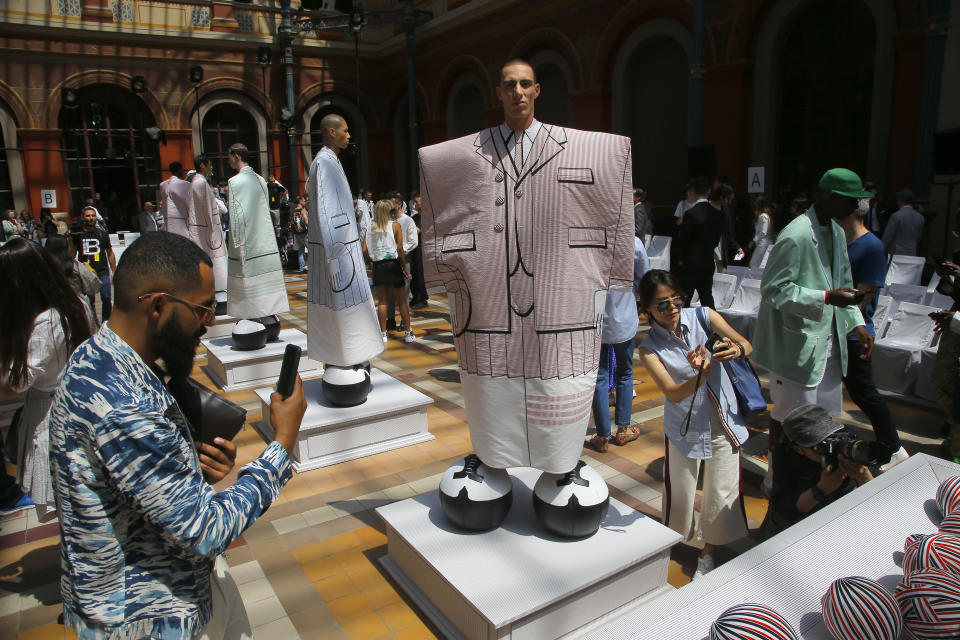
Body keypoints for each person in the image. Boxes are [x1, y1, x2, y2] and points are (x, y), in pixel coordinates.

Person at [48, 231, 307, 639]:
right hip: (148, 617)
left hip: (176, 593)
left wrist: (191, 471)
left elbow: (136, 488)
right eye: (201, 309)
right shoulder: (122, 404)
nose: (208, 322)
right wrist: (282, 444)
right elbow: (205, 530)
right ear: (157, 306)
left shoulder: (97, 358)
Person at [419, 57, 634, 484]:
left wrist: (615, 267)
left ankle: (559, 465)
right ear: (498, 93)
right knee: (490, 376)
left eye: (525, 84)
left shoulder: (577, 145)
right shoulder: (468, 151)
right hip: (490, 294)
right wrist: (442, 270)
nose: (517, 92)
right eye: (508, 85)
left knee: (558, 378)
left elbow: (616, 180)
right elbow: (435, 179)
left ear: (537, 90)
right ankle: (493, 458)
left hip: (558, 292)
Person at [752, 168, 874, 489]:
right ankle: (775, 478)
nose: (856, 209)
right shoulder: (796, 234)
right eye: (851, 201)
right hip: (798, 344)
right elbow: (774, 289)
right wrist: (825, 297)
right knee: (787, 415)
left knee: (819, 417)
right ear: (830, 197)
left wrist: (857, 324)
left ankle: (810, 475)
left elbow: (844, 283)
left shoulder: (834, 230)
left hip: (827, 342)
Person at [637, 269, 752, 577]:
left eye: (676, 299)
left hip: (724, 419)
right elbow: (673, 393)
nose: (673, 308)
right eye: (662, 304)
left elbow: (744, 343)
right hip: (684, 427)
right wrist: (699, 373)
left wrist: (735, 349)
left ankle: (709, 552)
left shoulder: (704, 316)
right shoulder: (649, 348)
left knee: (722, 490)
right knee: (681, 490)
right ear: (646, 309)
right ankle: (671, 541)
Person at [0, 238, 93, 521]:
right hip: (76, 404)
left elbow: (16, 383)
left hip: (52, 416)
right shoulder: (73, 304)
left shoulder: (46, 322)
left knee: (71, 508)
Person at [835, 198, 908, 467]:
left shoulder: (872, 247)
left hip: (854, 333)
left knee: (863, 391)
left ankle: (893, 446)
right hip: (835, 331)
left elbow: (863, 297)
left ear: (852, 210)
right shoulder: (841, 243)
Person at [763, 404, 874, 537]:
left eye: (830, 438)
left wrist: (864, 477)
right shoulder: (785, 455)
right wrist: (821, 490)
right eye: (821, 446)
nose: (830, 449)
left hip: (845, 522)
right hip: (802, 528)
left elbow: (880, 502)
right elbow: (782, 509)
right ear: (799, 449)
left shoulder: (848, 443)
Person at [588, 237, 650, 452]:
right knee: (625, 372)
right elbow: (644, 277)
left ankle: (603, 436)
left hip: (595, 315)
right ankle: (623, 429)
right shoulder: (632, 242)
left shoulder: (590, 237)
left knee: (599, 377)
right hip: (624, 316)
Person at [225, 143, 290, 321]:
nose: (228, 161)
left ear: (237, 156)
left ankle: (251, 316)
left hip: (246, 240)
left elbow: (235, 216)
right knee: (264, 279)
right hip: (264, 238)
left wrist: (237, 242)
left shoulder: (234, 182)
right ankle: (269, 316)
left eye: (229, 157)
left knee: (247, 278)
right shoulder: (261, 179)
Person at [363, 199, 412, 343]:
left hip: (379, 266)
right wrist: (404, 268)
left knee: (382, 302)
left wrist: (372, 258)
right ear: (388, 212)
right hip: (393, 264)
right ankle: (408, 332)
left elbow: (364, 249)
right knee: (402, 301)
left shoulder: (370, 227)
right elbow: (400, 248)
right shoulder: (395, 225)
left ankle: (383, 333)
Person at [188, 154, 229, 303]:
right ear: (202, 165)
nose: (212, 167)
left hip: (207, 228)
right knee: (215, 261)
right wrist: (213, 231)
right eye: (210, 164)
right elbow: (207, 209)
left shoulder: (198, 182)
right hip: (208, 230)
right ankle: (217, 290)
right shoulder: (200, 183)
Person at [674, 177, 719, 308]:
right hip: (708, 259)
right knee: (706, 297)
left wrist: (681, 258)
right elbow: (716, 239)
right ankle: (711, 326)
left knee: (685, 296)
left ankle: (683, 325)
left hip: (691, 261)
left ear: (693, 191)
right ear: (709, 192)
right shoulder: (717, 214)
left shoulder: (691, 213)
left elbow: (684, 239)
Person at [384, 192, 418, 334]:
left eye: (391, 203)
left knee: (403, 293)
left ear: (398, 204)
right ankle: (390, 319)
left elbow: (413, 241)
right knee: (389, 293)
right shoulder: (387, 221)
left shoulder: (408, 220)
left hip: (404, 259)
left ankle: (405, 321)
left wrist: (400, 251)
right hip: (389, 260)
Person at [76, 205, 116, 323]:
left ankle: (106, 321)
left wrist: (114, 269)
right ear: (83, 217)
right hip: (85, 273)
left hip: (102, 271)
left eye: (93, 216)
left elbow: (110, 252)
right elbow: (71, 253)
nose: (91, 218)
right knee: (89, 301)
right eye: (88, 216)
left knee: (107, 297)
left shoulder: (102, 234)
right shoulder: (78, 234)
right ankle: (94, 322)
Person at [881, 188, 925, 256]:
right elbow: (918, 237)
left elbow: (888, 236)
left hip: (896, 252)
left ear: (900, 200)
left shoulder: (896, 215)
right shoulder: (920, 217)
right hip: (912, 251)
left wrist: (881, 249)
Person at [160, 161, 192, 238]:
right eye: (183, 170)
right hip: (181, 222)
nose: (184, 172)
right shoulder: (185, 184)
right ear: (179, 170)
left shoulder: (162, 185)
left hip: (167, 221)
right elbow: (190, 204)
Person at [747, 195, 773, 268]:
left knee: (754, 264)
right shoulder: (766, 216)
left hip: (763, 243)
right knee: (759, 264)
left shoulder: (763, 216)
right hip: (763, 242)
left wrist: (753, 241)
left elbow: (763, 232)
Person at [291, 195, 308, 272]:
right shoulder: (303, 210)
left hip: (297, 233)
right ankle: (312, 266)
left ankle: (301, 268)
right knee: (311, 249)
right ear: (300, 201)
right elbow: (306, 222)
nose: (305, 202)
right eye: (304, 201)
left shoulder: (293, 211)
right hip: (304, 233)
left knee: (300, 251)